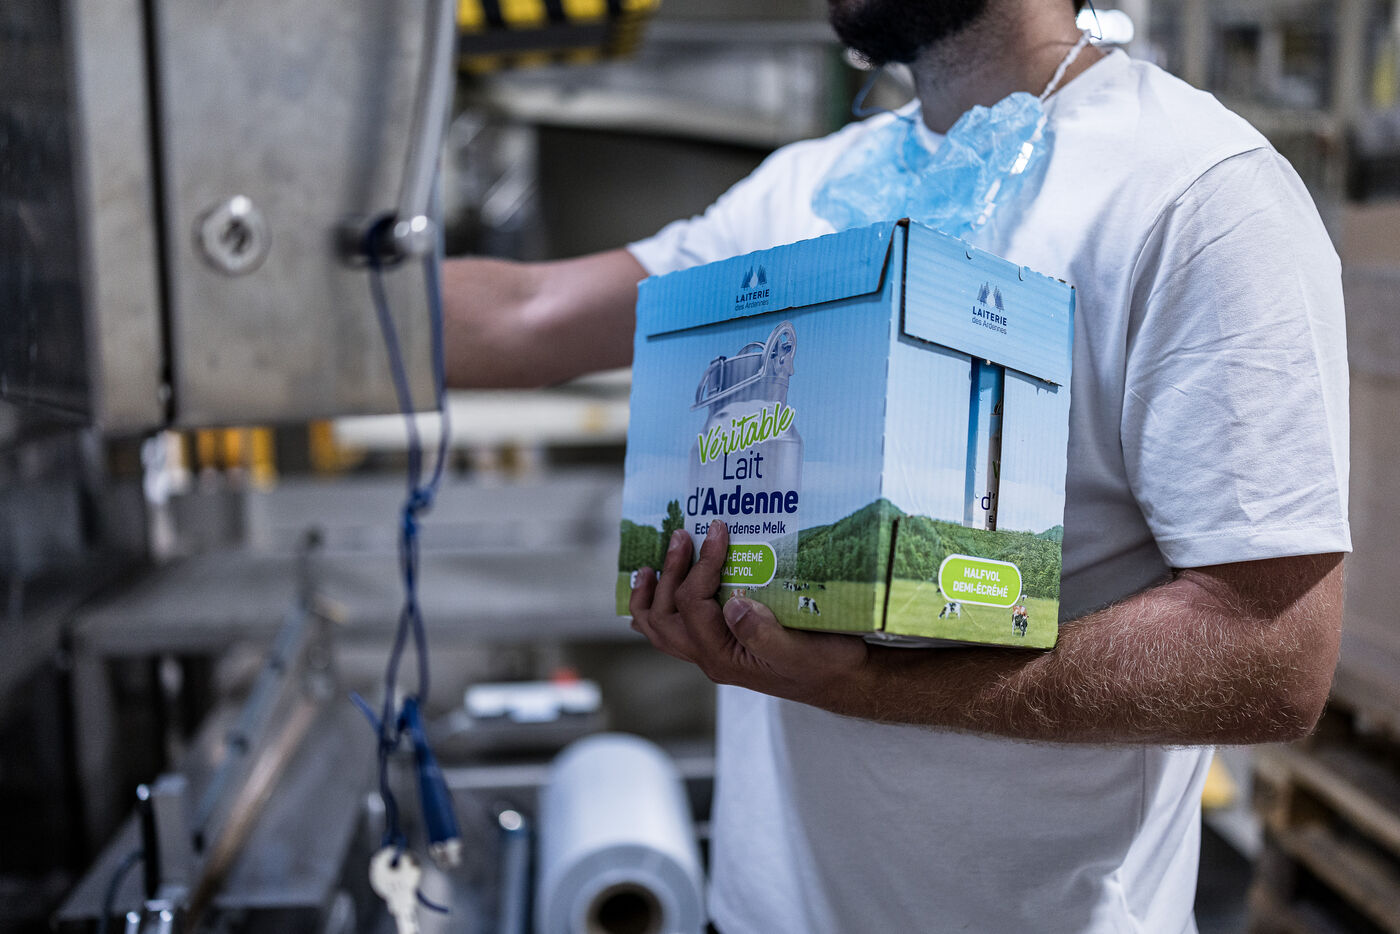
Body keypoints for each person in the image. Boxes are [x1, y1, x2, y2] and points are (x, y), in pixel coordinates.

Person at [443, 0, 1351, 930]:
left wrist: (876, 690)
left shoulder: (1194, 194)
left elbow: (1269, 653)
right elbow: (529, 316)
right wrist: (346, 270)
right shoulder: (811, 186)